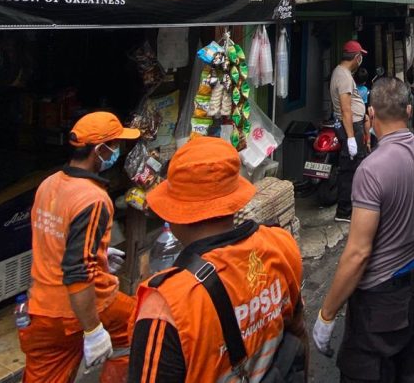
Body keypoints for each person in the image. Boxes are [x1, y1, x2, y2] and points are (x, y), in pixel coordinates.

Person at [127, 137, 305, 383]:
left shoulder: (166, 305)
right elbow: (297, 333)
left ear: (175, 213)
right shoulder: (280, 245)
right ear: (234, 199)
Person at [312, 77, 414, 382]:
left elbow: (358, 253)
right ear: (409, 110)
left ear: (370, 114)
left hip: (377, 305)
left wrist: (327, 313)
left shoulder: (371, 170)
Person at [20, 112, 141, 383]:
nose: (117, 151)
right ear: (99, 151)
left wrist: (99, 252)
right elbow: (77, 272)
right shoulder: (93, 199)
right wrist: (92, 330)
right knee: (142, 326)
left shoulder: (48, 184)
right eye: (115, 145)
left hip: (41, 308)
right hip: (84, 309)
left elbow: (54, 239)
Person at [332, 41, 369, 223]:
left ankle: (349, 207)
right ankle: (345, 210)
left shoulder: (342, 73)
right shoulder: (344, 76)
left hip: (351, 125)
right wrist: (352, 138)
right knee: (351, 168)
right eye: (360, 56)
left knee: (353, 167)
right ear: (356, 57)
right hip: (351, 127)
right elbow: (346, 109)